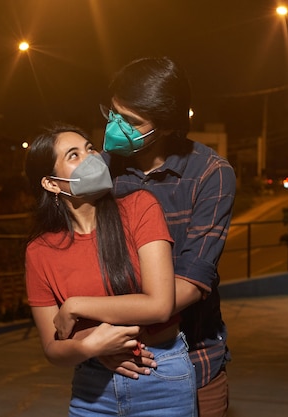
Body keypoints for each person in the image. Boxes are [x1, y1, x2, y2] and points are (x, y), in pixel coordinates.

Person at [24, 123, 198, 417]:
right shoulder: (39, 251)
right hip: (92, 387)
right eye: (74, 155)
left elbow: (159, 306)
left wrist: (76, 306)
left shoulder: (140, 208)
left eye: (90, 148)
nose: (90, 157)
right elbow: (52, 349)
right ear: (51, 183)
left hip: (160, 373)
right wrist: (93, 348)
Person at [101, 56, 237, 417]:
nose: (115, 127)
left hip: (194, 363)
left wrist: (106, 326)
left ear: (164, 126)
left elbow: (192, 283)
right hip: (107, 363)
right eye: (113, 114)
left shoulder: (211, 174)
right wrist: (95, 343)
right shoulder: (99, 171)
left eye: (129, 121)